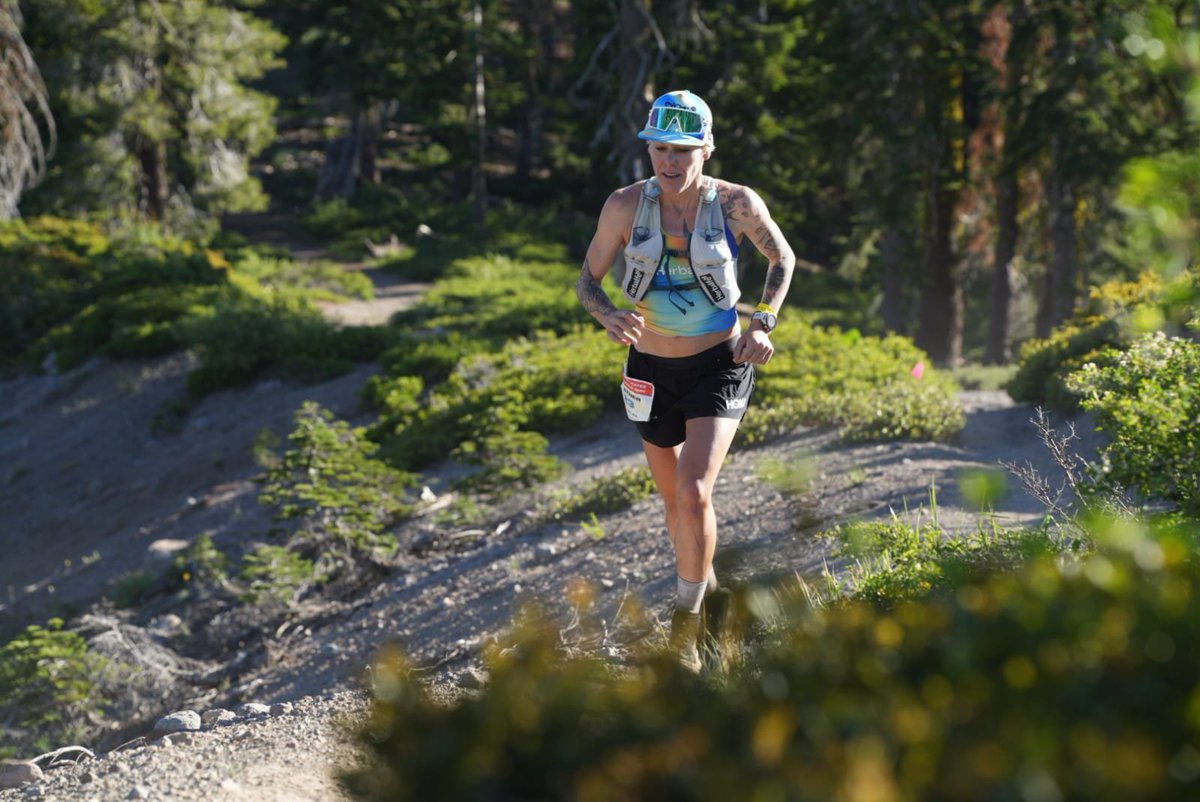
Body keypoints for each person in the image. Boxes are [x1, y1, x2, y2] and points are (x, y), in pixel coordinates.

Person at [576, 89, 795, 672]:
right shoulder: (624, 206)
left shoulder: (735, 204)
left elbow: (782, 259)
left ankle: (686, 630)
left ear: (707, 149)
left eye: (683, 151)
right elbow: (587, 281)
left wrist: (764, 323)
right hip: (648, 370)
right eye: (660, 150)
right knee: (677, 508)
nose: (670, 162)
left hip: (719, 365)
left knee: (696, 491)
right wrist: (607, 314)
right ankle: (718, 605)